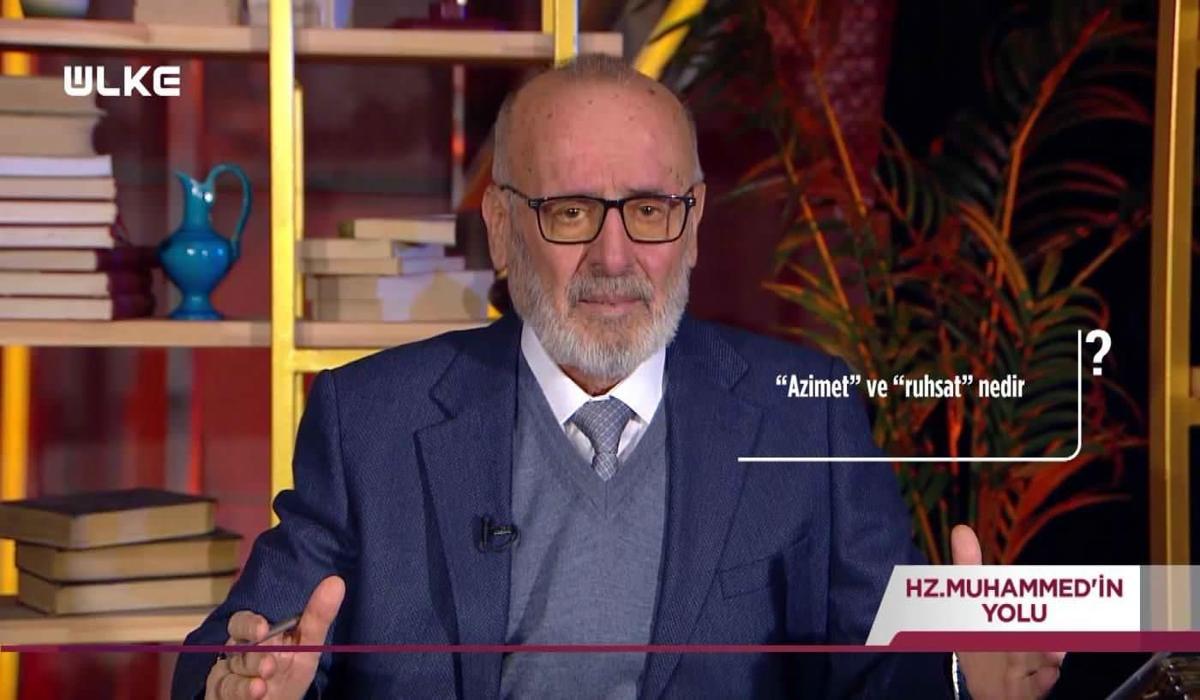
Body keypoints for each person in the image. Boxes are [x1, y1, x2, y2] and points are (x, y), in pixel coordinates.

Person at [173, 54, 1064, 699]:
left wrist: (962, 673)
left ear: (695, 222)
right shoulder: (371, 418)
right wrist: (244, 683)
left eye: (648, 210)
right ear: (502, 227)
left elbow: (881, 668)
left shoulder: (806, 417)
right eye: (570, 212)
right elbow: (240, 652)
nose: (614, 256)